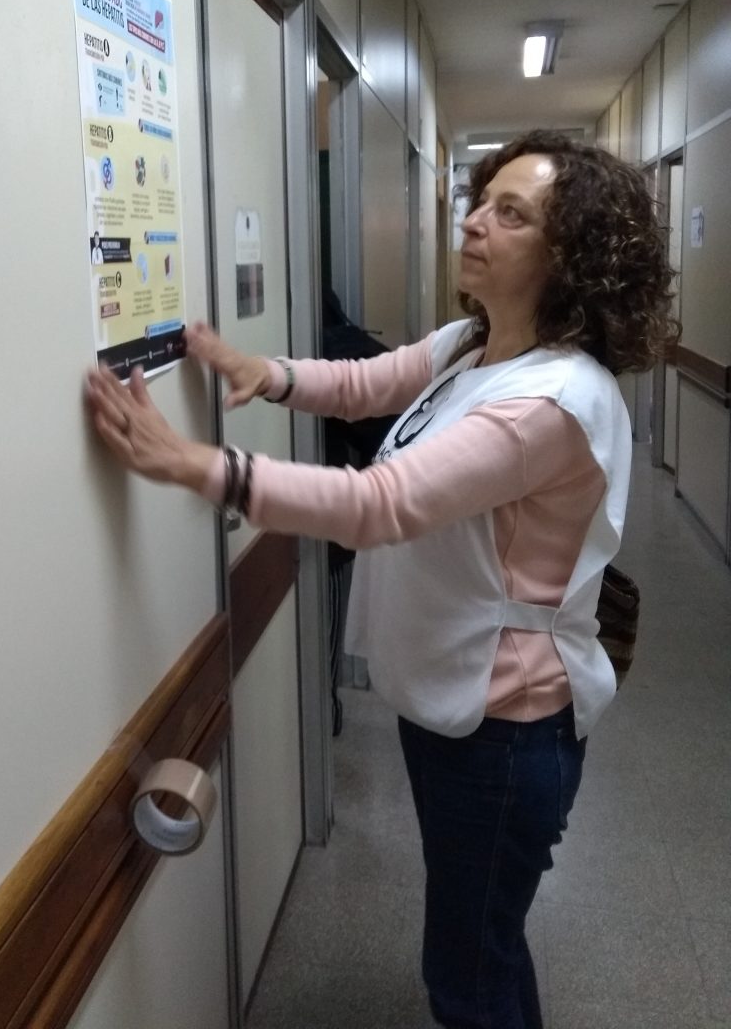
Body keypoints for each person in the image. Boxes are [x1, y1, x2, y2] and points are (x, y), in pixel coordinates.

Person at [84, 131, 677, 1029]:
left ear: (571, 257)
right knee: (483, 946)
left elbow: (379, 506)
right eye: (482, 201)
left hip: (507, 727)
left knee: (468, 974)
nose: (474, 222)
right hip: (453, 702)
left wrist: (197, 466)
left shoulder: (551, 401)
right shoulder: (474, 347)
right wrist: (265, 373)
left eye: (511, 214)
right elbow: (369, 382)